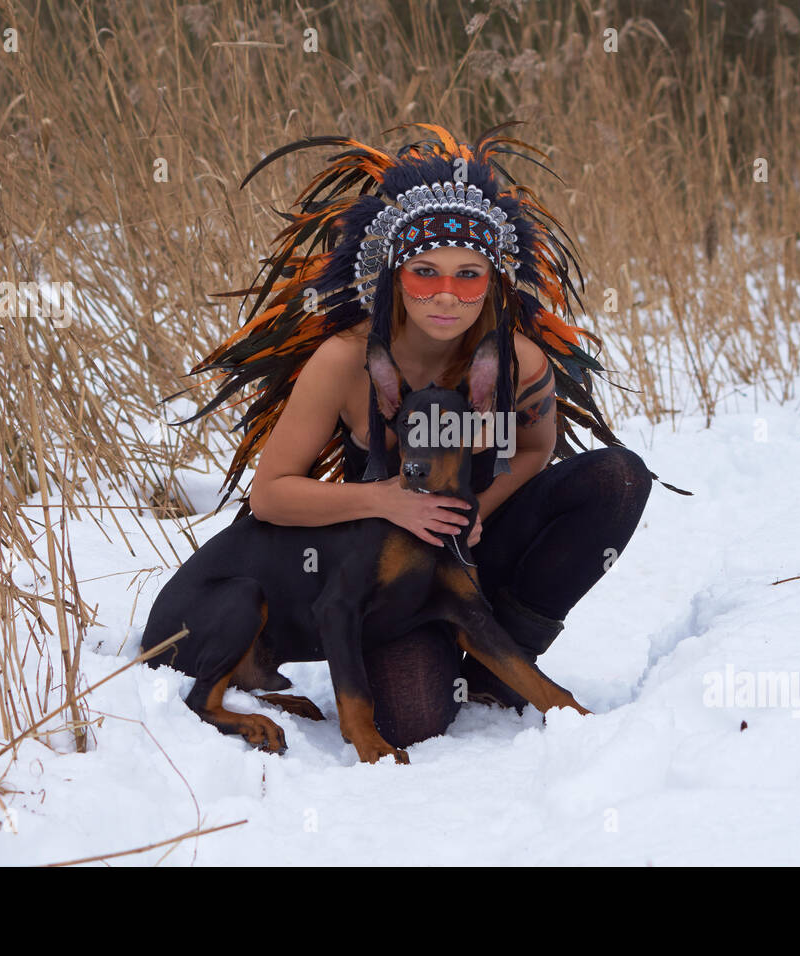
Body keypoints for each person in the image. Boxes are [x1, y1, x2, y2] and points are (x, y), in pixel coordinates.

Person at [172, 122, 688, 751]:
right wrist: (387, 500)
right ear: (395, 273)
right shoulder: (346, 360)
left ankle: (505, 660)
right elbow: (271, 496)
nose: (447, 294)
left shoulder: (518, 361)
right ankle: (445, 651)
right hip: (391, 565)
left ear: (493, 281)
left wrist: (476, 514)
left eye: (469, 275)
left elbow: (533, 451)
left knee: (617, 477)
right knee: (415, 720)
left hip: (471, 544)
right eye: (426, 273)